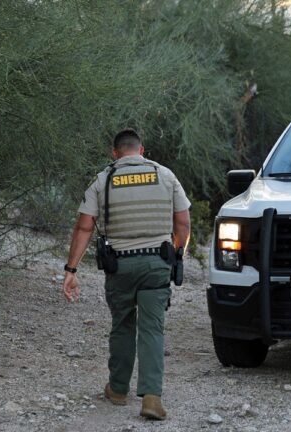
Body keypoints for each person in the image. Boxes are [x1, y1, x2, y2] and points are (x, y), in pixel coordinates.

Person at [61, 128, 191, 419]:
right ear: (142, 151)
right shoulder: (166, 175)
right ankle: (152, 399)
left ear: (116, 153)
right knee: (152, 328)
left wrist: (71, 270)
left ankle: (118, 389)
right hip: (157, 263)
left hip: (120, 266)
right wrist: (177, 253)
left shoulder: (103, 179)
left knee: (122, 324)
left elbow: (84, 226)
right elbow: (183, 221)